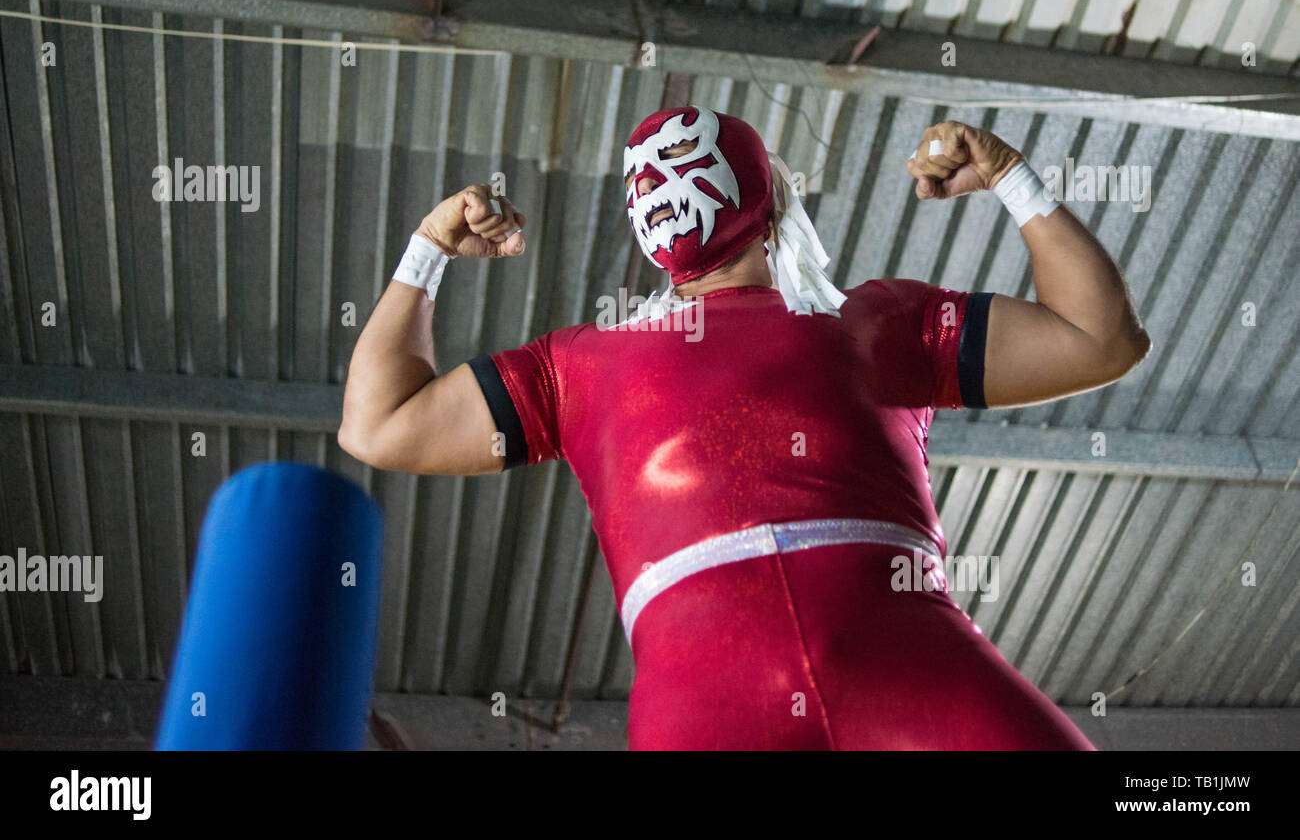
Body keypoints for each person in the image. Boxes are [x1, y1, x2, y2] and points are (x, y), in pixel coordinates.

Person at [340, 105, 1150, 749]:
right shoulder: (881, 321)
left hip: (703, 701)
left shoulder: (583, 368)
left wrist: (427, 251)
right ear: (778, 199)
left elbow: (378, 423)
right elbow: (1102, 336)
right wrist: (1011, 180)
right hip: (909, 662)